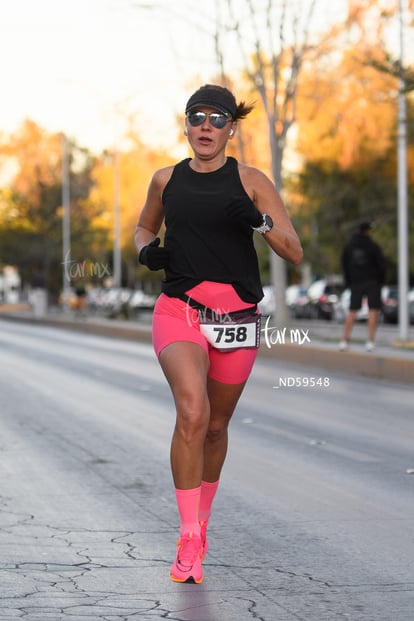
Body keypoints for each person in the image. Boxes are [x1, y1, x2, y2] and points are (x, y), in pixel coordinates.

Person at [134, 84, 303, 584]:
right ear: (186, 126)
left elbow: (292, 250)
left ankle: (202, 523)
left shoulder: (251, 181)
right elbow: (144, 229)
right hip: (179, 310)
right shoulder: (166, 180)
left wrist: (259, 220)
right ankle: (188, 536)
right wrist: (147, 252)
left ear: (231, 128)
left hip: (236, 319)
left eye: (216, 118)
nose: (205, 126)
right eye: (196, 117)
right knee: (193, 411)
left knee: (215, 426)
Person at [339, 221, 386, 352]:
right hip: (372, 282)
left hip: (356, 282)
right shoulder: (373, 246)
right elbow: (382, 265)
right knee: (373, 311)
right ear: (367, 231)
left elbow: (344, 265)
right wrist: (381, 281)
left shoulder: (349, 246)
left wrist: (348, 282)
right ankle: (370, 342)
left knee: (352, 311)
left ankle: (344, 341)